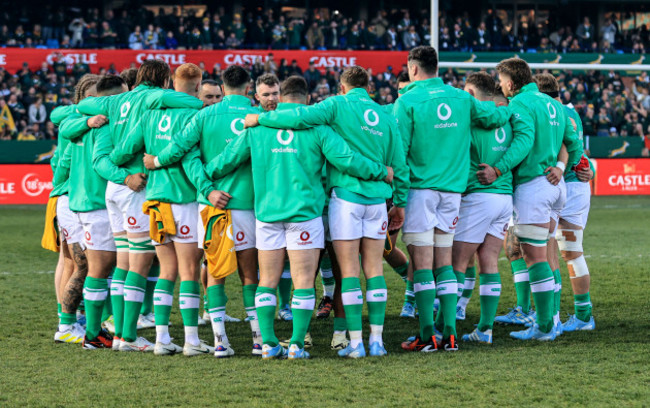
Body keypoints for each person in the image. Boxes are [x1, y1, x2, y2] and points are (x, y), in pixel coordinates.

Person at [204, 75, 393, 359]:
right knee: (304, 281)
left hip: (268, 215)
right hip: (305, 215)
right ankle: (295, 345)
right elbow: (348, 160)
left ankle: (268, 344)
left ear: (280, 97)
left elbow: (222, 163)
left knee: (266, 279)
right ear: (306, 100)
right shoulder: (317, 128)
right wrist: (383, 172)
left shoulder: (256, 126)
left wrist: (204, 186)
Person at [76, 60, 203, 350]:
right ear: (163, 80)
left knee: (124, 260)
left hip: (114, 187)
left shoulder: (114, 101)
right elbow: (188, 102)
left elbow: (80, 108)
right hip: (137, 185)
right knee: (141, 261)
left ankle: (118, 334)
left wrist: (90, 121)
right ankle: (128, 336)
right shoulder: (153, 97)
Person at [394, 46, 510, 352]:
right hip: (453, 194)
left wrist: (398, 200)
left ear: (413, 69)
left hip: (421, 192)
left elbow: (399, 154)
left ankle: (427, 333)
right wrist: (514, 108)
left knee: (422, 266)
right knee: (444, 264)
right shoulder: (462, 98)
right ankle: (450, 333)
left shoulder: (406, 101)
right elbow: (494, 115)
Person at [143, 66, 263, 358]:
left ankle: (220, 341)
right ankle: (259, 340)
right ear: (249, 88)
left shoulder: (204, 115)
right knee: (250, 276)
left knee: (214, 275)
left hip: (210, 206)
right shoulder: (261, 118)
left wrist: (204, 187)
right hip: (249, 204)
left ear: (222, 87)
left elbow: (184, 151)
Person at [111, 63, 214, 356]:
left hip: (155, 201)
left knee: (167, 270)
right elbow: (191, 155)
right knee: (190, 271)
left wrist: (114, 158)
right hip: (184, 198)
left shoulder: (149, 113)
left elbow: (126, 149)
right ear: (198, 84)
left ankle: (162, 339)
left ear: (172, 82)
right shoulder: (197, 112)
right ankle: (192, 341)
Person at [477, 58, 582, 341]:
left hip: (534, 187)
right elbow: (574, 143)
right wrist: (562, 168)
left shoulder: (521, 104)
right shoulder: (555, 105)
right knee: (544, 253)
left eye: (501, 80)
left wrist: (498, 168)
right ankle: (550, 322)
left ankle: (545, 326)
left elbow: (523, 142)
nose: (500, 85)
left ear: (511, 82)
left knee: (534, 257)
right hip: (554, 187)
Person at [57, 75, 130, 349]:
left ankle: (89, 325)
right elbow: (97, 163)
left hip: (77, 199)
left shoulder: (77, 125)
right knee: (89, 266)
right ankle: (78, 327)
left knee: (86, 266)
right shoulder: (100, 124)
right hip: (91, 202)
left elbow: (65, 158)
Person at [450, 72, 513, 345]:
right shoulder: (508, 118)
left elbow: (462, 161)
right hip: (504, 198)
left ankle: (445, 329)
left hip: (478, 197)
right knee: (488, 262)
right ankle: (485, 329)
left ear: (472, 94)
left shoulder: (470, 119)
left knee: (455, 264)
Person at [534, 74, 596, 332]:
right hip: (578, 186)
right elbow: (579, 149)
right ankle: (583, 315)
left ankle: (553, 317)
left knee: (548, 249)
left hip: (559, 183)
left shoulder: (547, 112)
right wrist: (589, 167)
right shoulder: (572, 113)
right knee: (572, 252)